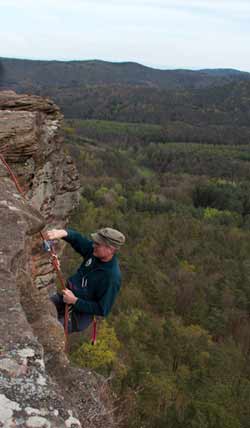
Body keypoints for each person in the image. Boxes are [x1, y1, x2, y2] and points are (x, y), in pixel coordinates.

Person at [46, 227, 126, 333]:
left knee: (48, 331)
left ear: (110, 249)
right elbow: (78, 239)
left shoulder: (111, 277)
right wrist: (62, 233)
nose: (93, 245)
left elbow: (102, 309)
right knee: (38, 308)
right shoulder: (95, 253)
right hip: (66, 299)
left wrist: (75, 301)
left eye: (98, 244)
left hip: (77, 316)